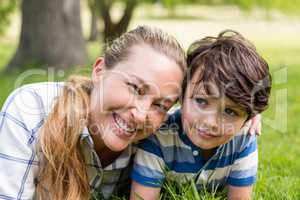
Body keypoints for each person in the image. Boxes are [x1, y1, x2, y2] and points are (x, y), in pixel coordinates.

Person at [0, 25, 186, 200]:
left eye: (161, 105)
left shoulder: (158, 140)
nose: (140, 115)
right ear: (99, 71)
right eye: (135, 88)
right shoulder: (31, 110)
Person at [130, 30, 272, 200]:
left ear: (247, 120)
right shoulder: (159, 136)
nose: (211, 122)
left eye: (230, 111)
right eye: (201, 101)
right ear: (181, 96)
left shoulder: (243, 139)